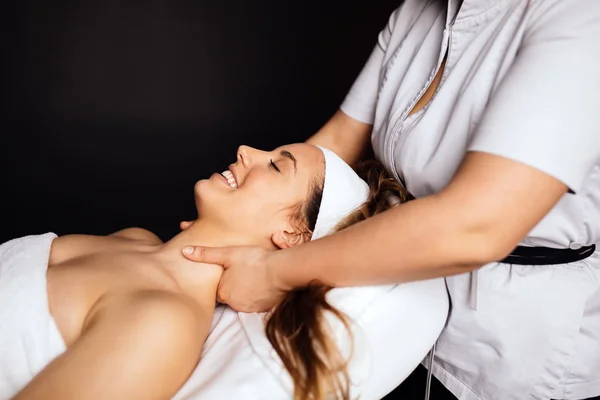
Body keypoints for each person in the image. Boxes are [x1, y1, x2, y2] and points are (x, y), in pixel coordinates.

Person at [180, 1, 600, 399]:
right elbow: (332, 150)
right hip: (392, 301)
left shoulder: (579, 20)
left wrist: (272, 272)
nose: (245, 151)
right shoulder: (418, 12)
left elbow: (476, 227)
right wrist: (235, 238)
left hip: (515, 345)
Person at [0, 143, 414, 400]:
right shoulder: (135, 239)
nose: (246, 151)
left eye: (275, 166)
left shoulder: (164, 323)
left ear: (293, 234)